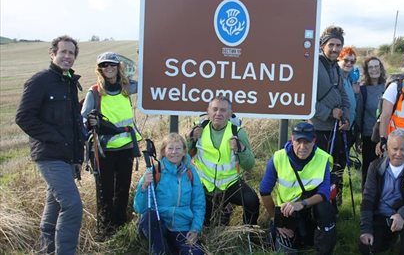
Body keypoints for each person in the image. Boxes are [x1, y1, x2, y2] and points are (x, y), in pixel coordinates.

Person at [15, 35, 85, 254]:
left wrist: (77, 156)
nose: (67, 56)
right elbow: (24, 117)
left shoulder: (69, 83)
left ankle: (47, 250)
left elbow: (73, 123)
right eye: (63, 52)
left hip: (66, 156)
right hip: (49, 154)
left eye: (71, 53)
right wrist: (54, 137)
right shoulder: (40, 81)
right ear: (52, 53)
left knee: (54, 204)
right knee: (72, 205)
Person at [81, 52, 142, 240]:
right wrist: (89, 123)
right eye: (104, 65)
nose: (108, 68)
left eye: (112, 65)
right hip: (103, 149)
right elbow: (83, 119)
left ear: (118, 67)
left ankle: (120, 225)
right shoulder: (95, 92)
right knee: (105, 190)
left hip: (125, 148)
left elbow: (147, 83)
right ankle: (106, 228)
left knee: (123, 188)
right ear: (100, 69)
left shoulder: (126, 88)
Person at [259, 122, 336, 254]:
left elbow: (324, 193)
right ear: (292, 139)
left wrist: (301, 204)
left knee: (325, 208)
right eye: (298, 141)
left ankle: (323, 248)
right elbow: (264, 191)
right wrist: (276, 220)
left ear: (314, 141)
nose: (302, 147)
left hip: (310, 208)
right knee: (284, 245)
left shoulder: (323, 158)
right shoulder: (278, 158)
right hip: (286, 210)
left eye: (307, 142)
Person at [189, 96, 260, 226]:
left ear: (229, 113)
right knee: (208, 224)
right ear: (208, 111)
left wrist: (241, 149)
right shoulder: (198, 130)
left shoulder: (238, 132)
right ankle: (223, 214)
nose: (218, 113)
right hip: (205, 186)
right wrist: (191, 139)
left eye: (223, 110)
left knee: (252, 200)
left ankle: (248, 233)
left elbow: (250, 165)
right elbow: (185, 157)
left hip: (230, 184)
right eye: (214, 109)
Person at [134, 133, 205, 255]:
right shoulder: (154, 172)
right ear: (163, 151)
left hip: (182, 228)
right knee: (149, 218)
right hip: (158, 226)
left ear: (184, 152)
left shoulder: (191, 172)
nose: (174, 152)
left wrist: (195, 229)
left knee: (195, 253)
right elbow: (140, 208)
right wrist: (144, 186)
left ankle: (171, 248)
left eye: (178, 149)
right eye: (170, 148)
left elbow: (199, 204)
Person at [359, 129, 404, 255]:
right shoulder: (374, 166)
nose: (398, 153)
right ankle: (388, 239)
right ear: (387, 148)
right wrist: (366, 229)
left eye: (403, 149)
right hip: (381, 215)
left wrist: (401, 215)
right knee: (365, 247)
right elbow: (367, 199)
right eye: (394, 149)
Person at [310, 25, 350, 208]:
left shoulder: (336, 69)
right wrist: (328, 113)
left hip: (335, 129)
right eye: (331, 44)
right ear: (322, 45)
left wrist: (346, 118)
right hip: (318, 129)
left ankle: (331, 205)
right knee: (317, 172)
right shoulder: (313, 66)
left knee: (335, 170)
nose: (335, 49)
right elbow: (304, 99)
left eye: (338, 45)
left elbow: (343, 96)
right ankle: (316, 206)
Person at [359, 56, 387, 188]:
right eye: (371, 67)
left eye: (376, 66)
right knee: (369, 169)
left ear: (381, 68)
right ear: (366, 70)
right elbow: (359, 114)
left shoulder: (389, 87)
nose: (374, 69)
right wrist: (358, 136)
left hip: (387, 136)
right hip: (369, 136)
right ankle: (366, 200)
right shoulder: (363, 90)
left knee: (385, 169)